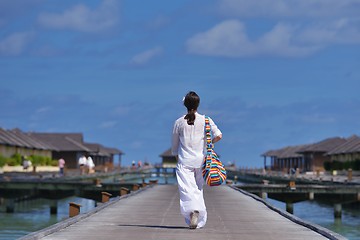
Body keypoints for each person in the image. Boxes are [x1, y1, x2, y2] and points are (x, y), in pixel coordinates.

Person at [171, 91, 222, 229]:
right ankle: (198, 212)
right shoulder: (206, 120)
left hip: (185, 161)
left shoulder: (178, 123)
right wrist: (207, 144)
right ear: (198, 104)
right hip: (201, 160)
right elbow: (219, 135)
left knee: (187, 189)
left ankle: (192, 211)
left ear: (185, 104)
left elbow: (175, 148)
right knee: (198, 188)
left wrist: (178, 158)